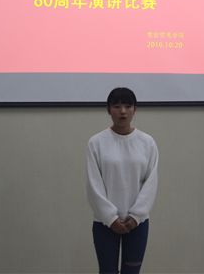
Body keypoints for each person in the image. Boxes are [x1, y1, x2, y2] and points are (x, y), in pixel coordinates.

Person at [86, 87, 159, 274]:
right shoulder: (96, 143)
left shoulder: (147, 142)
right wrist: (111, 218)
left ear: (135, 110)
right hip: (104, 223)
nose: (123, 111)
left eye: (128, 106)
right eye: (117, 106)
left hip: (137, 223)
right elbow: (94, 185)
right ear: (109, 110)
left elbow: (150, 183)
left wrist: (135, 216)